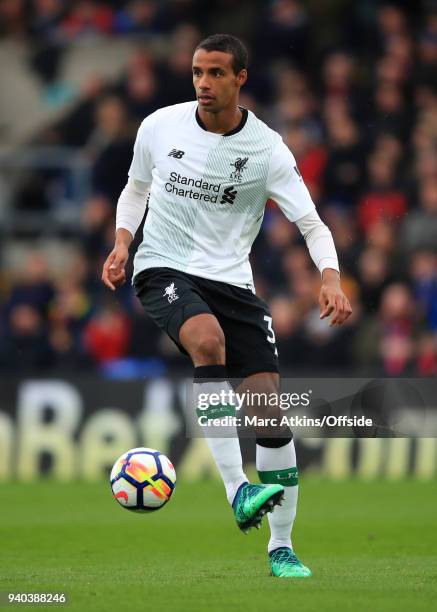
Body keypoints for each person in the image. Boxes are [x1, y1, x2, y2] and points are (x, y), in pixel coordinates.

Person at [102, 34, 352, 578]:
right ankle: (237, 488)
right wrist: (123, 243)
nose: (203, 84)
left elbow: (311, 223)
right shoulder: (160, 126)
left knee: (268, 411)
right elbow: (135, 189)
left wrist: (330, 280)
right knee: (206, 340)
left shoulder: (267, 150)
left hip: (232, 284)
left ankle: (281, 547)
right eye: (197, 72)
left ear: (240, 78)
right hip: (163, 265)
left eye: (215, 73)